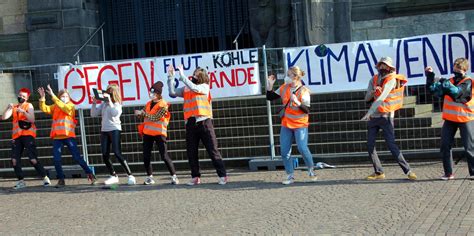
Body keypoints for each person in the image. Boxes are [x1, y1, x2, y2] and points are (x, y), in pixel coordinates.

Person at [167, 65, 228, 185]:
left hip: (204, 122)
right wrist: (170, 77)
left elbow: (195, 88)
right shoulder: (186, 88)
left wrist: (182, 75)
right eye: (194, 74)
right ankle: (195, 177)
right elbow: (172, 93)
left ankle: (222, 175)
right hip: (190, 123)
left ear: (202, 77)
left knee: (212, 150)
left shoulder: (204, 87)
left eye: (196, 75)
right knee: (191, 151)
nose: (194, 76)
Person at [361, 57, 417, 180]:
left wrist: (369, 111)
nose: (382, 67)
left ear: (390, 67)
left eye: (385, 65)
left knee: (391, 144)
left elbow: (383, 96)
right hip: (374, 117)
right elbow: (366, 98)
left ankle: (408, 171)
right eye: (380, 65)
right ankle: (378, 172)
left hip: (386, 116)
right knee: (370, 145)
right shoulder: (374, 79)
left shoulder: (392, 79)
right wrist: (372, 92)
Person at [266, 66, 317, 185]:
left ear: (296, 77)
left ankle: (311, 170)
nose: (286, 77)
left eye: (289, 75)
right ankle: (290, 175)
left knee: (302, 148)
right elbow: (270, 97)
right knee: (284, 151)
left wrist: (297, 102)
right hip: (286, 124)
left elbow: (307, 110)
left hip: (300, 124)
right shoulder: (284, 87)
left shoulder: (304, 90)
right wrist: (270, 85)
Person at [38, 85, 97, 188]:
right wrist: (42, 98)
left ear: (69, 98)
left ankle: (91, 175)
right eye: (62, 96)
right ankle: (61, 180)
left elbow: (64, 107)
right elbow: (45, 109)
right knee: (56, 159)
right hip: (57, 137)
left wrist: (53, 96)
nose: (64, 98)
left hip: (69, 136)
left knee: (77, 157)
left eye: (66, 96)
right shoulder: (56, 105)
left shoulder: (70, 106)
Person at [425, 57, 474, 180]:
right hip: (450, 118)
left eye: (459, 68)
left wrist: (444, 82)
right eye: (455, 67)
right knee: (445, 145)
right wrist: (430, 76)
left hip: (465, 118)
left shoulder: (468, 82)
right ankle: (448, 173)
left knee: (469, 147)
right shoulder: (450, 80)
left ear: (465, 69)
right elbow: (433, 90)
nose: (456, 70)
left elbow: (457, 93)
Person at [1, 88, 50, 189]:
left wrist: (23, 112)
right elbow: (4, 117)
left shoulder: (29, 105)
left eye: (23, 96)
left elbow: (32, 119)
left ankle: (45, 177)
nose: (21, 97)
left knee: (32, 159)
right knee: (14, 160)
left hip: (28, 135)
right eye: (20, 95)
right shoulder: (14, 107)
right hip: (16, 137)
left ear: (27, 98)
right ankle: (21, 181)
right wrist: (8, 108)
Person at [135, 81, 179, 185]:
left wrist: (143, 113)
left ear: (159, 94)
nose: (151, 95)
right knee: (146, 156)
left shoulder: (163, 104)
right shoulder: (148, 104)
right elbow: (145, 115)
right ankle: (149, 177)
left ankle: (174, 176)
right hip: (148, 133)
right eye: (151, 92)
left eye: (154, 93)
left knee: (164, 156)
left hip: (159, 133)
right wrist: (139, 115)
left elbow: (156, 117)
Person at [91, 84, 136, 185]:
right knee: (105, 154)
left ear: (113, 94)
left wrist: (110, 101)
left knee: (117, 152)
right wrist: (94, 103)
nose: (107, 94)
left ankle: (130, 175)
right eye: (106, 92)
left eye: (109, 92)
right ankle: (113, 175)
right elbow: (93, 114)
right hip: (104, 130)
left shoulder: (117, 104)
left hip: (114, 129)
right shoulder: (103, 104)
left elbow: (115, 113)